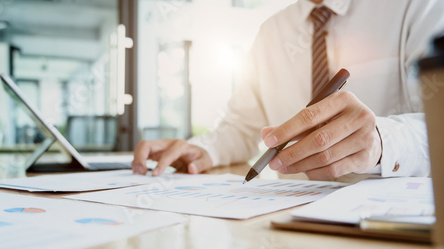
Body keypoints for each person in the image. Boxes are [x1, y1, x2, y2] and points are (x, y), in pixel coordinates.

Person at [132, 0, 444, 180]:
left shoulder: (418, 7)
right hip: (284, 218)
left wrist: (381, 141)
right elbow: (242, 127)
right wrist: (205, 149)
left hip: (388, 218)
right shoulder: (271, 32)